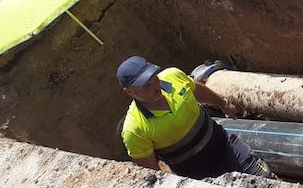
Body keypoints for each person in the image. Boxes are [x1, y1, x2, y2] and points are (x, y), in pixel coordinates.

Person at [117, 55, 274, 180]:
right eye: (146, 85)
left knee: (266, 180)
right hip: (200, 174)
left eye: (154, 78)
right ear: (129, 91)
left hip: (225, 145)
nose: (155, 86)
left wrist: (223, 103)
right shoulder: (135, 130)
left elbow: (195, 90)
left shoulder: (173, 76)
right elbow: (154, 174)